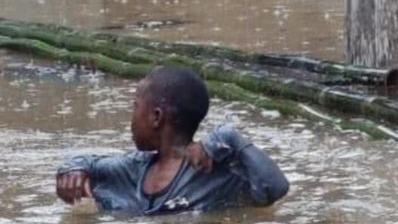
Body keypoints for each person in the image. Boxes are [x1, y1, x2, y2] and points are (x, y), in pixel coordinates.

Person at [55, 66, 289, 215]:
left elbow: (275, 188)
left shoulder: (216, 172)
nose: (131, 119)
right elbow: (86, 162)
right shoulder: (134, 168)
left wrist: (230, 137)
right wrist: (72, 170)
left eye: (135, 107)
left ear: (156, 117)